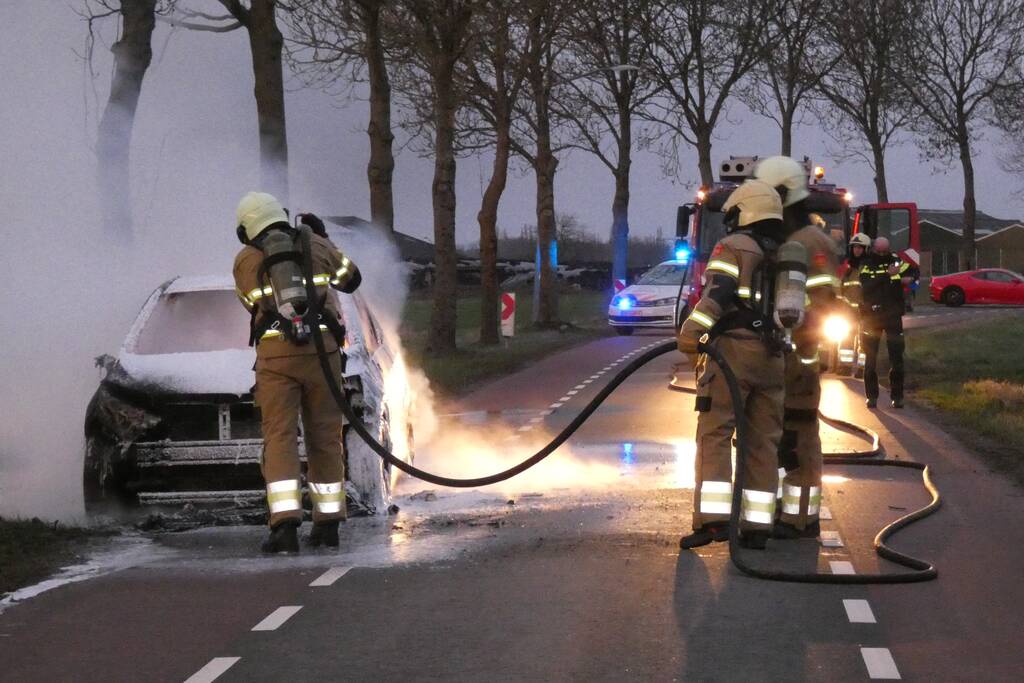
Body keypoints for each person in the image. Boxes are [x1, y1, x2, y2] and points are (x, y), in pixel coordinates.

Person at [233, 192, 362, 553]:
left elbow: (248, 301)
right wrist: (323, 239)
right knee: (325, 436)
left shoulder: (246, 259)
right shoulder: (316, 245)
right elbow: (351, 280)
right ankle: (328, 525)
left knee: (280, 438)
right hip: (323, 355)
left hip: (276, 359)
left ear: (246, 229)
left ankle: (285, 527)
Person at [678, 180, 792, 551]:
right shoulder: (788, 255)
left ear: (744, 211)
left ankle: (713, 521)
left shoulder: (732, 247)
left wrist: (692, 331)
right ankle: (757, 528)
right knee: (763, 442)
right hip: (774, 357)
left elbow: (718, 294)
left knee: (715, 432)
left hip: (734, 354)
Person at [754, 156, 839, 539]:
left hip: (798, 359)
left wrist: (802, 358)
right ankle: (783, 513)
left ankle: (802, 518)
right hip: (784, 358)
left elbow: (820, 305)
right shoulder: (793, 240)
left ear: (785, 196)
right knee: (779, 438)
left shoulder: (809, 242)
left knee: (799, 438)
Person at [859, 236, 917, 409]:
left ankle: (897, 397)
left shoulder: (896, 261)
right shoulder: (867, 263)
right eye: (880, 251)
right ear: (873, 249)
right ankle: (872, 397)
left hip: (893, 315)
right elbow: (867, 286)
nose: (883, 254)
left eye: (885, 251)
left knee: (897, 358)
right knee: (870, 359)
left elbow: (913, 271)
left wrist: (910, 279)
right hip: (872, 317)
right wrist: (888, 275)